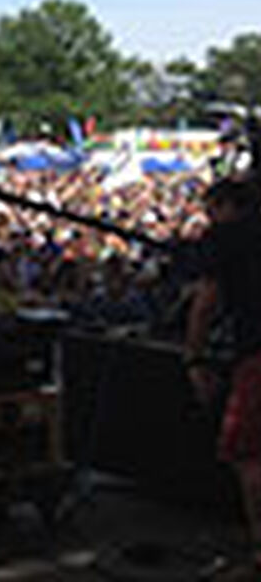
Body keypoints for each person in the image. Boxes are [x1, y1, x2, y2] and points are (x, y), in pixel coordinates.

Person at [183, 176, 261, 581]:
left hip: (257, 355)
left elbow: (206, 301)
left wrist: (194, 358)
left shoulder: (226, 237)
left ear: (225, 206)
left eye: (210, 211)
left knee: (249, 455)